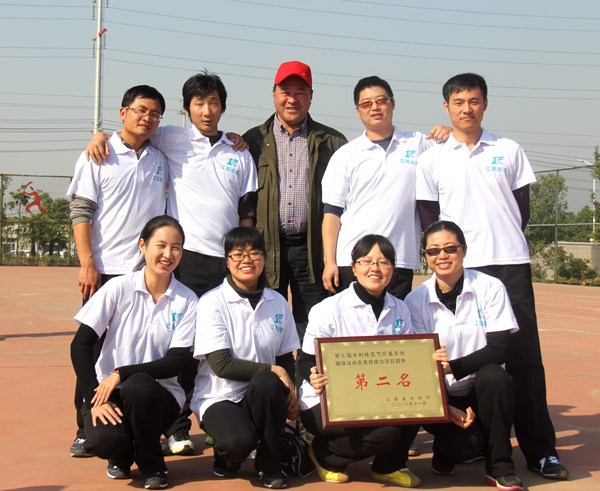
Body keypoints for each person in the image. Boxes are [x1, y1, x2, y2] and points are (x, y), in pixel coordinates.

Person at [86, 70, 258, 455]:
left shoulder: (239, 152)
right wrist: (100, 136)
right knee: (179, 347)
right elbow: (133, 132)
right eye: (199, 103)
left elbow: (246, 211)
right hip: (187, 258)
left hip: (227, 263)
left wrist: (243, 255)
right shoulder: (172, 138)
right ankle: (177, 427)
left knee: (224, 343)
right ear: (186, 109)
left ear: (223, 107)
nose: (207, 110)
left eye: (214, 103)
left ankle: (220, 417)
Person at [416, 72, 568, 480]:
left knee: (523, 359)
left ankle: (541, 452)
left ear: (485, 104)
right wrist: (448, 256)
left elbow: (522, 209)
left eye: (474, 101)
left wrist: (500, 239)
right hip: (460, 267)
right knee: (463, 357)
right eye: (458, 102)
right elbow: (430, 218)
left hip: (508, 263)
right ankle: (475, 440)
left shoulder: (508, 149)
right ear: (446, 106)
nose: (467, 109)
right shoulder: (432, 158)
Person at [66, 84, 168, 457]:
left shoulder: (160, 158)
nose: (147, 118)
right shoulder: (99, 154)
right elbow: (81, 210)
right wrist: (87, 263)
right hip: (105, 271)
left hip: (145, 275)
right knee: (92, 351)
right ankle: (85, 425)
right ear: (123, 112)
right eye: (140, 110)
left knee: (140, 348)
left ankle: (142, 424)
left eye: (155, 114)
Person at [70, 215, 197, 490]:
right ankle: (121, 454)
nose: (168, 254)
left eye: (176, 247)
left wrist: (121, 373)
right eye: (160, 245)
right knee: (105, 441)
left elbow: (175, 363)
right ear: (143, 245)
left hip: (159, 395)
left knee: (139, 385)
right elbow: (80, 345)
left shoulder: (188, 300)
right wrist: (94, 398)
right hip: (109, 392)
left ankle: (153, 464)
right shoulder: (118, 288)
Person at [405, 221, 522, 491]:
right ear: (426, 256)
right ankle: (446, 451)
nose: (442, 256)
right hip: (443, 392)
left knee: (495, 376)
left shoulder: (490, 287)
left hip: (482, 387)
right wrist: (447, 406)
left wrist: (452, 367)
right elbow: (420, 360)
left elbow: (499, 348)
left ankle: (501, 467)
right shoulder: (415, 300)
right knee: (465, 448)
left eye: (450, 248)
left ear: (464, 250)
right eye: (433, 251)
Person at [297, 234, 421, 488]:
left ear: (393, 269)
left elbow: (408, 359)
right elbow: (306, 359)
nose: (375, 268)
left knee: (418, 402)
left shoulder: (401, 309)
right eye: (366, 261)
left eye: (383, 262)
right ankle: (324, 454)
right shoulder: (328, 308)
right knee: (386, 434)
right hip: (327, 400)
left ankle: (389, 466)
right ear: (353, 267)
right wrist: (313, 374)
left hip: (377, 395)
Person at [243, 61, 347, 343]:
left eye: (300, 92)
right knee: (265, 327)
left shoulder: (333, 143)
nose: (292, 99)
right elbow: (245, 200)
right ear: (273, 94)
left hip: (313, 251)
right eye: (285, 92)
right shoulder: (252, 141)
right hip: (267, 249)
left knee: (313, 325)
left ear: (311, 96)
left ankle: (309, 372)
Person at [321, 76, 451, 300]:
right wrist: (329, 262)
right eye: (366, 103)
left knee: (395, 320)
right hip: (353, 260)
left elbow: (458, 148)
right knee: (355, 320)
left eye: (381, 101)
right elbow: (332, 213)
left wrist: (450, 132)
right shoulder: (346, 155)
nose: (374, 107)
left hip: (399, 259)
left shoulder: (419, 143)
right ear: (358, 111)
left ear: (393, 103)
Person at [191, 226, 301, 489]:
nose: (247, 260)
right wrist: (274, 370)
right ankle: (226, 459)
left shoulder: (277, 302)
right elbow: (222, 365)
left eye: (254, 253)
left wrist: (291, 390)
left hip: (262, 396)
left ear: (264, 258)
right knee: (238, 442)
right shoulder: (212, 302)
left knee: (267, 382)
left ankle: (270, 465)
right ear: (227, 261)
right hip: (220, 396)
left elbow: (285, 357)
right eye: (238, 254)